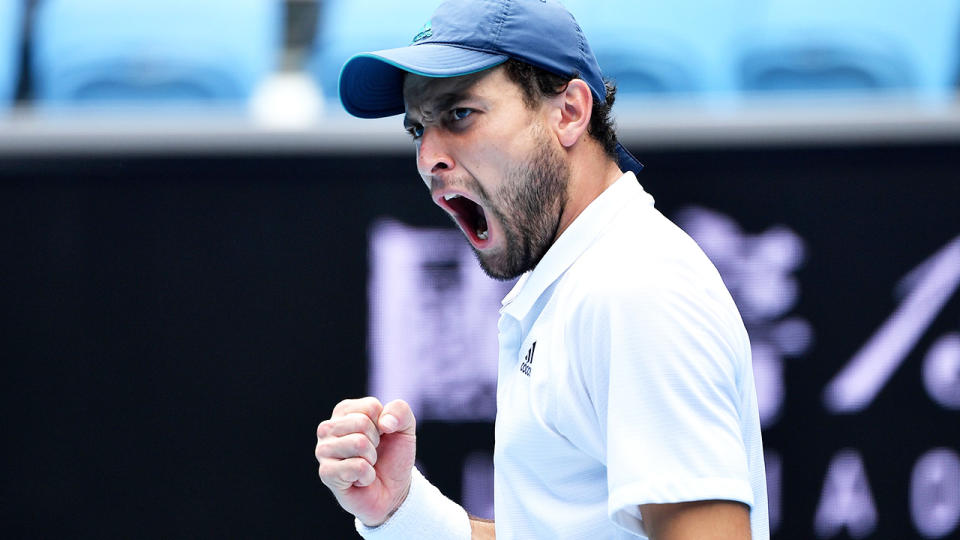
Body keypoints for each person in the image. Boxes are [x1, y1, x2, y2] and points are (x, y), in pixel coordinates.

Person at [315, 1, 769, 538]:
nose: (428, 157)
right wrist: (403, 511)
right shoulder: (579, 280)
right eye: (418, 130)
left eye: (460, 114)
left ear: (570, 112)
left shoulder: (635, 289)